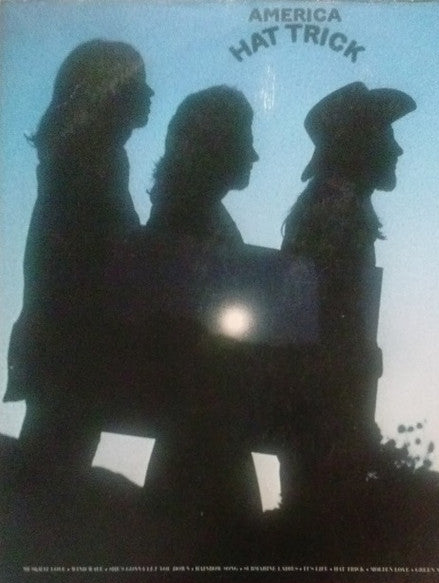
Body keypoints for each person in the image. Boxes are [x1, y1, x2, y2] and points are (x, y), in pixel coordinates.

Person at [3, 39, 153, 481]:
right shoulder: (92, 157)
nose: (150, 93)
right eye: (138, 83)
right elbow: (110, 248)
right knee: (54, 466)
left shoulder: (85, 153)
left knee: (52, 458)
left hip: (60, 340)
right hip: (71, 344)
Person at [281, 81, 416, 511]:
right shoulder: (336, 211)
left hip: (329, 413)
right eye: (386, 135)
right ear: (359, 144)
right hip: (326, 417)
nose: (398, 150)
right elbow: (325, 326)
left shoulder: (338, 206)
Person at [138, 87, 261, 555]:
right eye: (245, 139)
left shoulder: (196, 212)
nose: (254, 154)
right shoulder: (188, 216)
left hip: (206, 420)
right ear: (216, 142)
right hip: (203, 420)